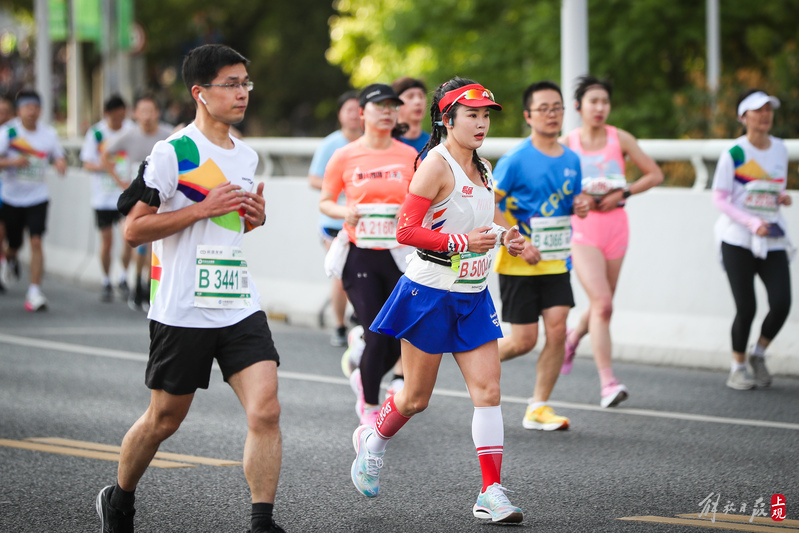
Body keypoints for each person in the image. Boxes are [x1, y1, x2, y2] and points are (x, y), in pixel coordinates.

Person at [95, 44, 284, 533]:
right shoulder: (172, 152)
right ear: (201, 93)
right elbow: (135, 229)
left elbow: (229, 227)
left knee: (266, 409)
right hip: (182, 307)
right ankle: (119, 499)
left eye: (246, 82)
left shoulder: (246, 154)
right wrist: (200, 208)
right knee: (164, 419)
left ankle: (261, 522)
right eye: (231, 84)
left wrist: (253, 221)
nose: (243, 92)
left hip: (237, 300)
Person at [354, 77, 526, 523]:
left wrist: (510, 238)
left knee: (489, 392)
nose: (482, 123)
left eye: (486, 115)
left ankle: (491, 491)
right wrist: (461, 242)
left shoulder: (484, 167)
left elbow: (484, 223)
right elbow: (406, 231)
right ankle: (372, 442)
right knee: (415, 399)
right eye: (472, 115)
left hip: (473, 294)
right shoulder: (435, 163)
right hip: (429, 291)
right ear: (447, 119)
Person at [559, 76, 663, 407]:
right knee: (603, 305)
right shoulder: (567, 144)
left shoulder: (620, 138)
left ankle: (572, 339)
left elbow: (654, 174)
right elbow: (555, 188)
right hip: (583, 230)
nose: (600, 107)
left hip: (617, 227)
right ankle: (608, 384)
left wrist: (624, 191)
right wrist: (579, 199)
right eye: (593, 101)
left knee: (601, 305)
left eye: (605, 101)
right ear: (579, 107)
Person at [493, 80, 591, 431]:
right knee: (523, 341)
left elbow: (574, 203)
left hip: (556, 260)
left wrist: (581, 205)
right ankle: (478, 362)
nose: (552, 114)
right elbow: (488, 203)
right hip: (519, 262)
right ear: (528, 115)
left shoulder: (572, 160)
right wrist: (516, 238)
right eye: (544, 108)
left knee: (558, 330)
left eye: (557, 108)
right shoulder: (515, 160)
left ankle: (538, 406)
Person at [319, 83, 417, 427]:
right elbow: (326, 200)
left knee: (398, 333)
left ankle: (364, 374)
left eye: (393, 106)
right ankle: (371, 407)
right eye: (380, 106)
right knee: (376, 332)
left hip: (399, 255)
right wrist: (344, 212)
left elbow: (422, 200)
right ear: (362, 113)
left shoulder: (409, 156)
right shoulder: (345, 155)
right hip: (359, 255)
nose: (388, 111)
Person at [711, 89, 792, 391]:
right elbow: (720, 199)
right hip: (737, 239)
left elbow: (771, 188)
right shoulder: (734, 153)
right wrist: (750, 221)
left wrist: (780, 198)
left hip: (771, 236)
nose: (765, 115)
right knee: (746, 307)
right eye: (758, 110)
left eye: (769, 110)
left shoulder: (780, 149)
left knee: (782, 302)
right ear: (743, 116)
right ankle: (737, 366)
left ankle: (758, 354)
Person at [102, 93, 173, 311]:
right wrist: (121, 182)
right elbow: (106, 153)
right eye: (142, 112)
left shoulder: (169, 135)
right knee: (138, 242)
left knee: (154, 243)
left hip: (162, 197)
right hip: (138, 197)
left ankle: (150, 286)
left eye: (151, 112)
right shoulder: (129, 136)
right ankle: (136, 281)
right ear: (136, 114)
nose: (147, 116)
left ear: (157, 114)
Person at [0, 89, 67, 311]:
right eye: (27, 106)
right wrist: (12, 163)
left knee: (36, 241)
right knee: (14, 244)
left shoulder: (48, 134)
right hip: (11, 198)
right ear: (18, 111)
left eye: (35, 107)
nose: (31, 111)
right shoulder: (8, 133)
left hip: (38, 197)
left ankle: (34, 291)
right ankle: (9, 258)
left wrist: (59, 163)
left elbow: (58, 155)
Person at [308, 90, 362, 346]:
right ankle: (340, 325)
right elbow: (314, 178)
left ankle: (360, 317)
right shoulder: (331, 144)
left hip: (365, 223)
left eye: (358, 109)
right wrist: (345, 186)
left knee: (363, 271)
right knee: (343, 271)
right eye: (348, 110)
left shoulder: (373, 143)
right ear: (340, 114)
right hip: (333, 223)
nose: (354, 115)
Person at [80, 94, 135, 302]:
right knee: (107, 242)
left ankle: (122, 276)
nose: (119, 121)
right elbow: (86, 163)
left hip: (125, 195)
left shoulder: (131, 130)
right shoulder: (96, 134)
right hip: (102, 197)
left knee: (128, 238)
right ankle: (105, 280)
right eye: (115, 118)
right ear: (107, 115)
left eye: (122, 116)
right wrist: (103, 167)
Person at [0, 93, 15, 292]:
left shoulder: (14, 134)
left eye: (6, 112)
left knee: (12, 235)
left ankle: (9, 258)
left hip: (12, 192)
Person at [392, 77, 430, 154]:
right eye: (410, 96)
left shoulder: (435, 145)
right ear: (395, 103)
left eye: (421, 96)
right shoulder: (385, 144)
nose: (418, 101)